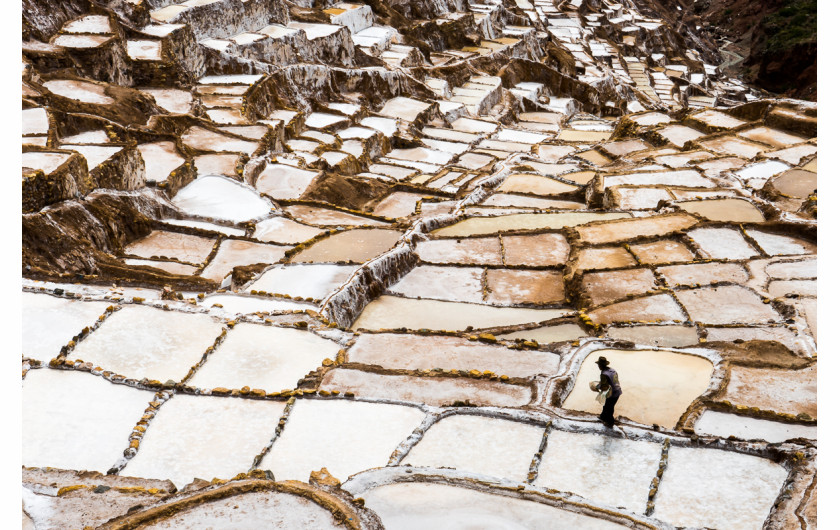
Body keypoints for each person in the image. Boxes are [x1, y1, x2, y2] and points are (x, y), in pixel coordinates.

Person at [596, 356, 622, 428]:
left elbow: (604, 386)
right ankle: (603, 416)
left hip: (612, 393)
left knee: (609, 407)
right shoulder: (612, 370)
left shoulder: (604, 374)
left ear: (601, 365)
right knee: (607, 404)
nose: (598, 366)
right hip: (617, 390)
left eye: (598, 365)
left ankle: (610, 422)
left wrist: (597, 387)